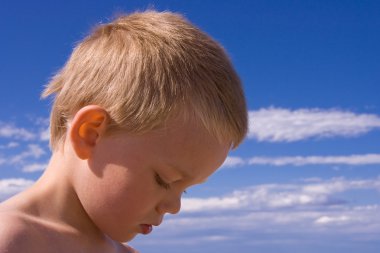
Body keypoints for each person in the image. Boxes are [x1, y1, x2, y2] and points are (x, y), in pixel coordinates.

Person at [0, 10, 247, 253]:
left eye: (184, 189)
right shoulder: (11, 239)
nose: (174, 207)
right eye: (164, 180)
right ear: (90, 134)